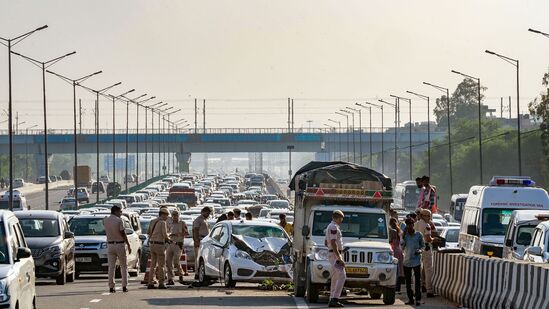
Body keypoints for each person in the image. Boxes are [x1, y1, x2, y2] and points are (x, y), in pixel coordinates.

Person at [104, 205, 131, 293]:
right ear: (115, 211)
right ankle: (124, 286)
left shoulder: (106, 220)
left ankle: (111, 287)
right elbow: (123, 233)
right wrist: (128, 244)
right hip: (119, 244)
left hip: (110, 245)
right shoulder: (119, 220)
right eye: (120, 212)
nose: (121, 213)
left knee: (111, 267)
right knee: (124, 266)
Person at [401, 218, 424, 306]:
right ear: (406, 225)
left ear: (413, 225)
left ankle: (418, 299)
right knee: (408, 282)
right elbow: (402, 247)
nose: (410, 226)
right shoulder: (405, 236)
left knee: (417, 281)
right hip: (407, 261)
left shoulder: (418, 235)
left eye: (411, 224)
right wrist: (403, 237)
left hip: (417, 261)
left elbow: (423, 246)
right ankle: (410, 299)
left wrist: (420, 251)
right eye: (408, 224)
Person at [325, 210, 346, 308]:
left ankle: (332, 298)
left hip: (332, 253)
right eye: (341, 218)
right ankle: (335, 298)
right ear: (337, 217)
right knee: (342, 276)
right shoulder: (333, 227)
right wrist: (339, 257)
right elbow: (333, 242)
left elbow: (326, 242)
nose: (341, 220)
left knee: (335, 278)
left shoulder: (330, 226)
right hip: (334, 255)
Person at [147, 207, 170, 289]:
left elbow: (148, 232)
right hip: (159, 245)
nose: (167, 217)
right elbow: (165, 234)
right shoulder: (162, 222)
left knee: (152, 265)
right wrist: (169, 240)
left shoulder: (152, 221)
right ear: (162, 214)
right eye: (166, 215)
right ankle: (161, 283)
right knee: (161, 265)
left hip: (152, 244)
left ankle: (150, 282)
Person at [415, 208, 435, 298]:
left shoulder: (415, 224)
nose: (429, 218)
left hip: (417, 249)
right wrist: (434, 239)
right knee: (428, 269)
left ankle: (421, 287)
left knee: (418, 270)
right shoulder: (427, 225)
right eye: (428, 216)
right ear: (423, 216)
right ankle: (429, 290)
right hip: (426, 248)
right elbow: (427, 238)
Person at [166, 210, 187, 285]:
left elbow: (187, 233)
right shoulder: (169, 224)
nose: (175, 217)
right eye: (173, 215)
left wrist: (180, 234)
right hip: (170, 243)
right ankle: (170, 279)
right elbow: (167, 232)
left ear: (179, 215)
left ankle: (181, 274)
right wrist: (169, 235)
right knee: (168, 262)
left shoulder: (182, 223)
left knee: (176, 261)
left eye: (176, 215)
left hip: (178, 244)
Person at [192, 207, 211, 278]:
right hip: (200, 239)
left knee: (204, 258)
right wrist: (196, 240)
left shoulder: (205, 220)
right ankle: (197, 273)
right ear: (203, 212)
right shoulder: (198, 220)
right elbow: (195, 230)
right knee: (198, 257)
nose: (208, 214)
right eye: (207, 213)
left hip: (205, 240)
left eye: (209, 213)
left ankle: (203, 273)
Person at [389, 217, 404, 294]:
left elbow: (390, 242)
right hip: (399, 251)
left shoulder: (390, 232)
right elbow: (402, 242)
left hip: (393, 251)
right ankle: (398, 288)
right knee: (398, 270)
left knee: (392, 269)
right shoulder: (399, 231)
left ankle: (393, 287)